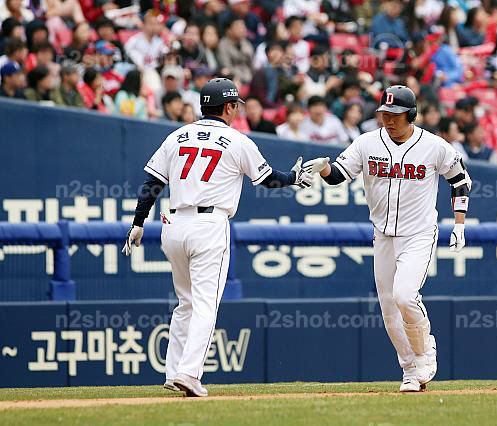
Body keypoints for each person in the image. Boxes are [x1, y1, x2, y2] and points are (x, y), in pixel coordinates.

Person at [121, 78, 315, 397]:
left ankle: (174, 371)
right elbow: (267, 179)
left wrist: (138, 222)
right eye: (235, 105)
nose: (237, 110)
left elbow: (152, 182)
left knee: (185, 302)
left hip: (172, 224)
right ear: (227, 107)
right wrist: (295, 177)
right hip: (208, 224)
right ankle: (189, 374)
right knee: (205, 305)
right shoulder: (236, 140)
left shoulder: (177, 135)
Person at [303, 85, 471, 392]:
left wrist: (459, 224)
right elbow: (339, 174)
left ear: (411, 115)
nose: (388, 119)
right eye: (384, 113)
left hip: (418, 233)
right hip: (382, 234)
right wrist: (324, 167)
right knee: (389, 310)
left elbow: (460, 179)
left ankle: (424, 352)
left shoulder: (433, 145)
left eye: (395, 115)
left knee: (405, 296)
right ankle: (409, 370)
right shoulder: (367, 142)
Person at [217, 17, 254, 84]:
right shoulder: (223, 44)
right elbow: (226, 66)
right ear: (229, 30)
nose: (242, 30)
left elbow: (251, 64)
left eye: (243, 27)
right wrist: (238, 76)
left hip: (249, 77)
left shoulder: (246, 43)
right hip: (234, 78)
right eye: (238, 27)